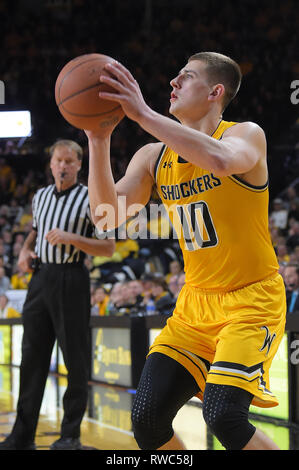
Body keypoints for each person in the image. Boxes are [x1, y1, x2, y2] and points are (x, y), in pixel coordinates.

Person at [85, 52, 286, 450]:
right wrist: (98, 138)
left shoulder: (244, 134)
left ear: (215, 91)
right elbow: (105, 216)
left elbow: (220, 160)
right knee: (146, 418)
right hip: (194, 307)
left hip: (251, 301)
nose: (173, 83)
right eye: (175, 76)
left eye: (186, 76)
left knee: (223, 413)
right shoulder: (153, 157)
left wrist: (142, 114)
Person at [0, 139, 115, 450]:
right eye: (58, 161)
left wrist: (72, 238)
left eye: (69, 161)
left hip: (72, 277)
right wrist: (25, 251)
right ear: (50, 165)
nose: (63, 165)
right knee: (31, 359)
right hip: (40, 280)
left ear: (79, 165)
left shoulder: (91, 197)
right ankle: (22, 436)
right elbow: (36, 231)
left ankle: (69, 436)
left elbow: (109, 247)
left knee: (75, 361)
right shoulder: (40, 197)